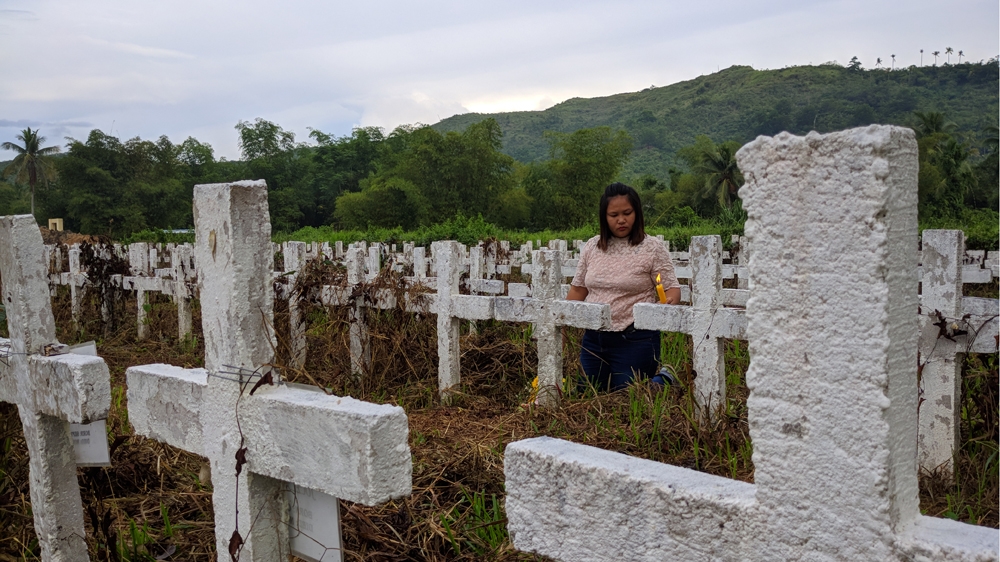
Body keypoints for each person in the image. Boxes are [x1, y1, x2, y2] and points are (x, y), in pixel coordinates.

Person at [567, 182, 681, 392]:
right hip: (594, 337)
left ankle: (665, 380)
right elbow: (579, 289)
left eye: (627, 213)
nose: (621, 220)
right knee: (587, 394)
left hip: (635, 336)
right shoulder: (592, 246)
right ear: (604, 217)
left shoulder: (652, 248)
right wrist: (562, 319)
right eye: (614, 215)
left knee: (627, 397)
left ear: (636, 213)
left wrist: (668, 302)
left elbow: (671, 289)